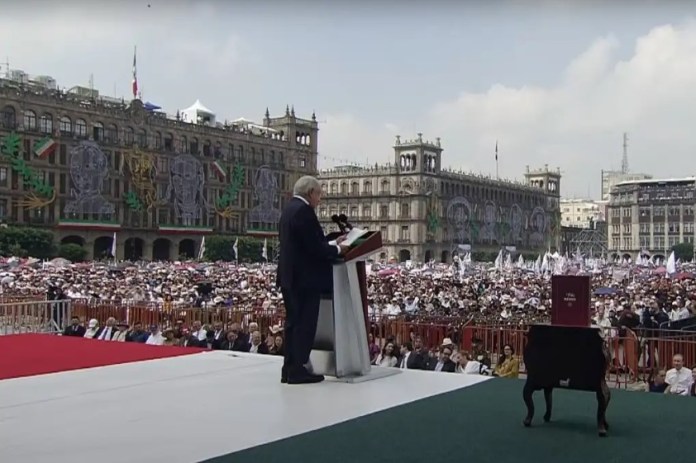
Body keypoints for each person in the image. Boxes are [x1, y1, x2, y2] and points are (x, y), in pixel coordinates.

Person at [277, 175, 349, 385]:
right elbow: (313, 248)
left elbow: (306, 242)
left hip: (291, 277)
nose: (320, 199)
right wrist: (338, 248)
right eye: (319, 194)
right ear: (310, 193)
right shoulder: (304, 211)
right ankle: (298, 370)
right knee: (304, 325)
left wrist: (333, 240)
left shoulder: (290, 209)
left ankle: (289, 369)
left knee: (293, 324)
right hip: (305, 279)